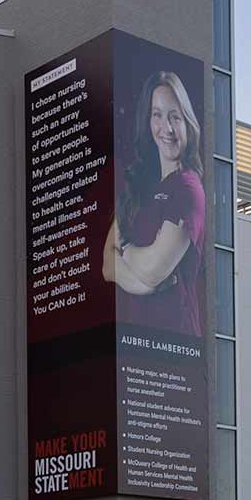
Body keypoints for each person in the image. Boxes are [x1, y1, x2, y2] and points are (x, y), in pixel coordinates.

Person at [102, 69, 206, 338]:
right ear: (148, 121)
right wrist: (144, 280)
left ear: (187, 123)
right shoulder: (139, 187)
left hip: (177, 346)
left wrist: (124, 250)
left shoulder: (188, 188)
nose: (167, 128)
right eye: (157, 115)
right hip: (139, 340)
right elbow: (106, 264)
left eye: (175, 117)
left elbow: (153, 270)